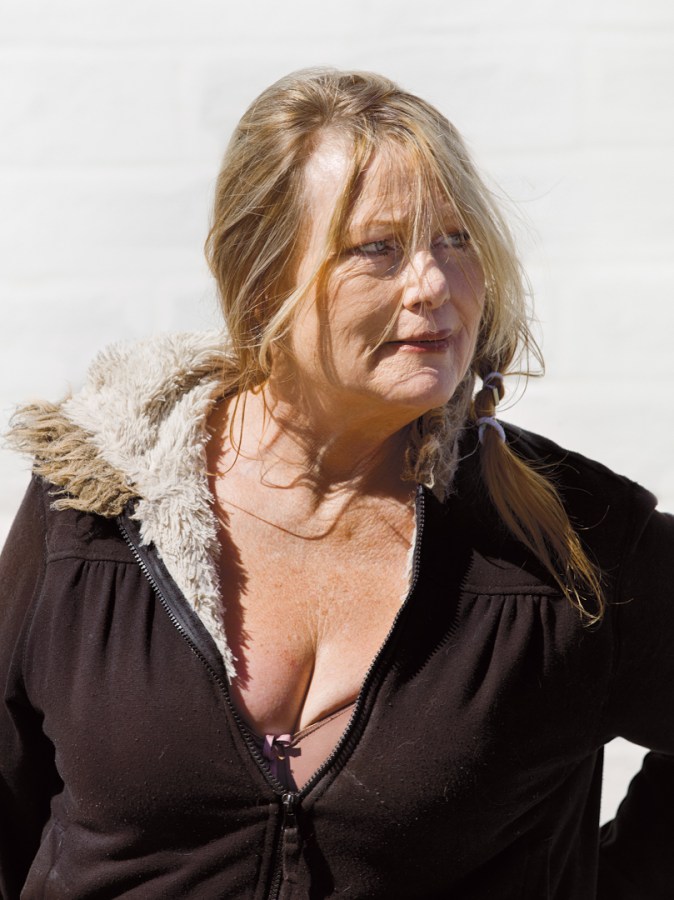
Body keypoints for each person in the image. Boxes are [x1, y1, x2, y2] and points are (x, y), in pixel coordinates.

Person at [1, 68, 672, 900]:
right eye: (377, 249)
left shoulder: (572, 544)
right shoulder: (94, 509)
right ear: (263, 275)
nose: (433, 284)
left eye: (455, 240)